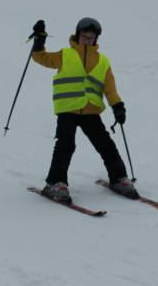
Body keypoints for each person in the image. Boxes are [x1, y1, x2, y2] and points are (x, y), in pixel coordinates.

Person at [30, 17, 137, 202]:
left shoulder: (102, 61)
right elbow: (41, 58)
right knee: (65, 145)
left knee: (105, 145)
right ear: (78, 36)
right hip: (67, 111)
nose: (87, 40)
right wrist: (39, 40)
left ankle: (119, 178)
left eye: (91, 38)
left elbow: (110, 88)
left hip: (91, 111)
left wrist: (118, 106)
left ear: (95, 39)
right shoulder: (65, 55)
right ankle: (56, 182)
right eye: (84, 37)